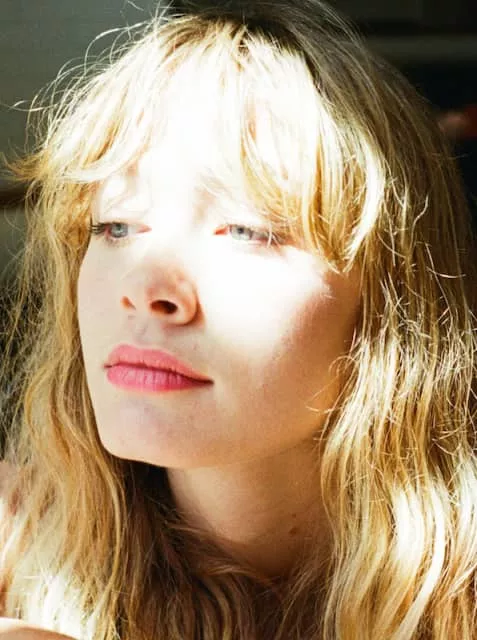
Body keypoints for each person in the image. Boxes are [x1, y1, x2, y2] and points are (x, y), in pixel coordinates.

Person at [1, 0, 476, 638]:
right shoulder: (17, 543)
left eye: (247, 230)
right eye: (115, 225)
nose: (144, 288)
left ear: (393, 294)